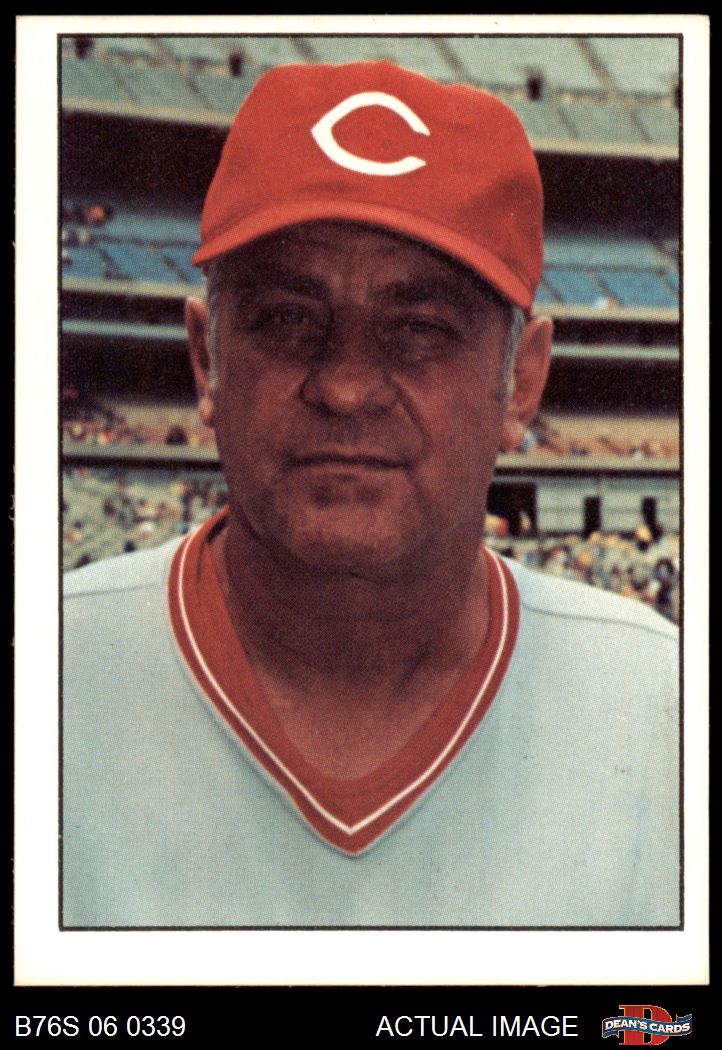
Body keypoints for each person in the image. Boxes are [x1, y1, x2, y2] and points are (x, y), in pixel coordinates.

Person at [63, 61, 679, 928]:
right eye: (288, 318)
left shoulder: (661, 707)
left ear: (522, 382)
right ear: (206, 359)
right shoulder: (45, 672)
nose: (346, 387)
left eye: (420, 328)